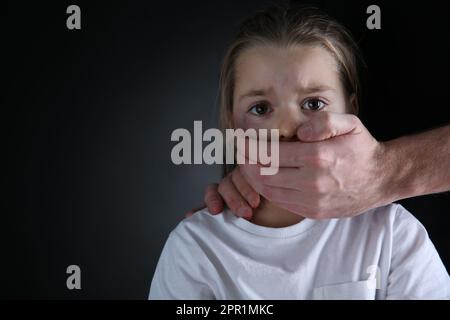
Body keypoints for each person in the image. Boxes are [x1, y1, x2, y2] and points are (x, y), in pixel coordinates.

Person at [149, 5, 450, 299]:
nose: (286, 128)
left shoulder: (392, 234)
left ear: (351, 111)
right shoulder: (195, 248)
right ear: (231, 123)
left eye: (314, 104)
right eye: (260, 108)